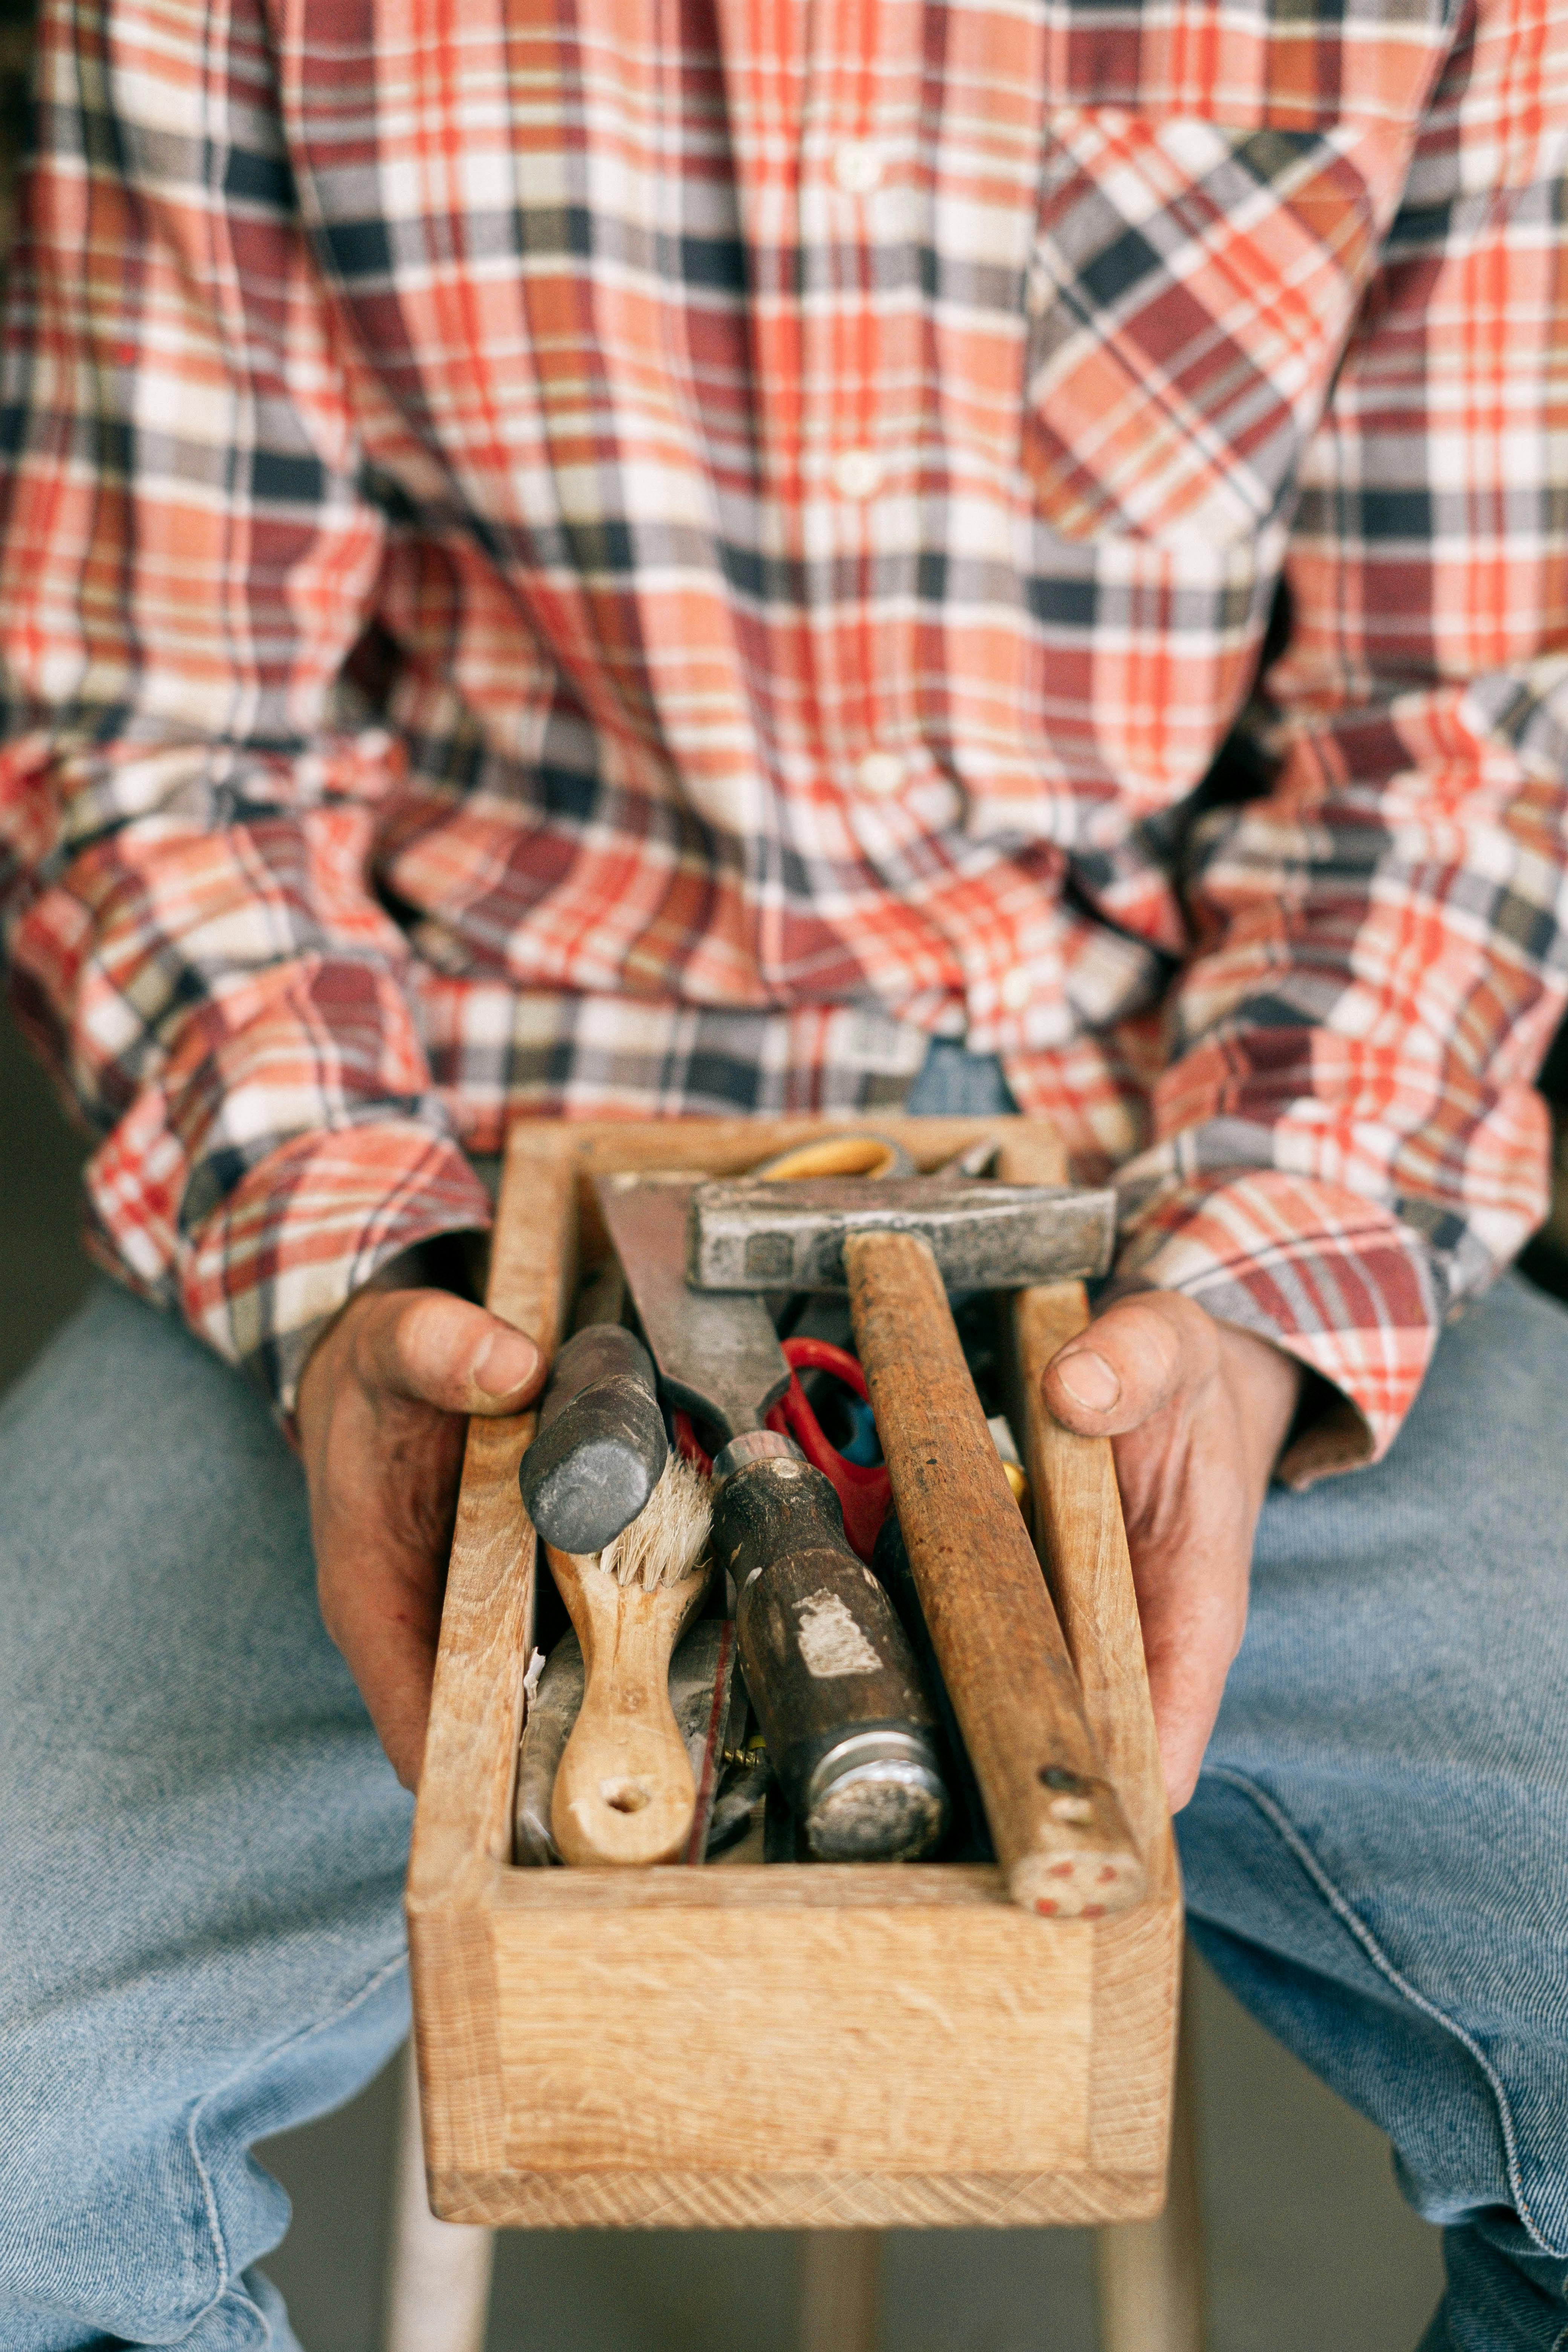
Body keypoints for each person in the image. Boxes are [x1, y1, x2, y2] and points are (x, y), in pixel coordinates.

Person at [0, 0, 1565, 2332]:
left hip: (1175, 1198)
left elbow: (1449, 767)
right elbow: (154, 743)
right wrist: (356, 1268)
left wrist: (1252, 1321)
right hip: (436, 1182)